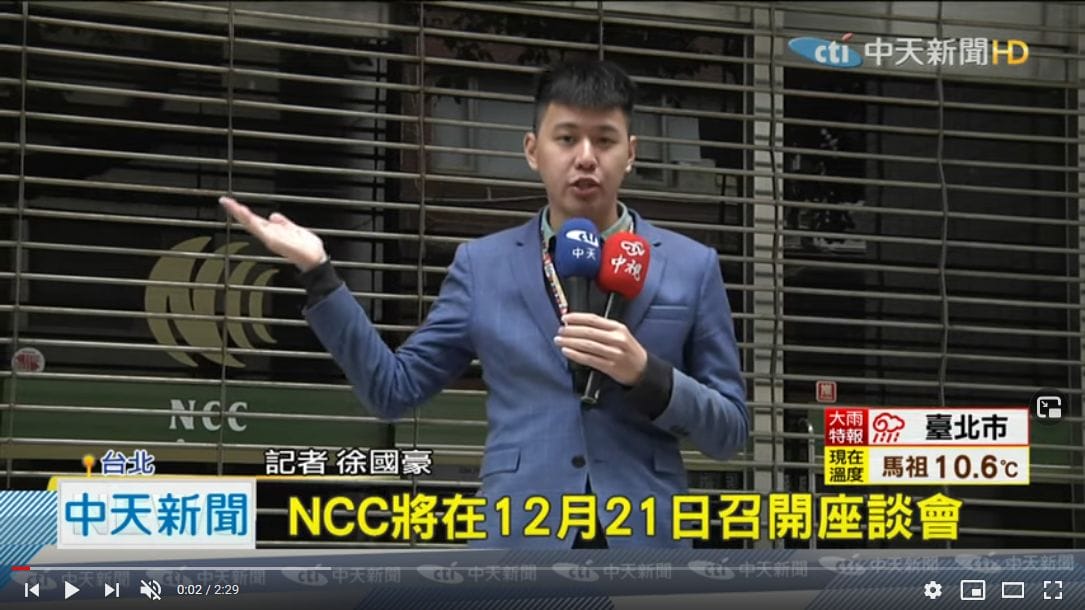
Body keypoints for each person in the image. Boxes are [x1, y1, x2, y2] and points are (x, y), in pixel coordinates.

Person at [219, 59, 748, 548]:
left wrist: (649, 376)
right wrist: (319, 273)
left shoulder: (690, 266)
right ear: (532, 150)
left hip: (646, 545)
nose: (586, 157)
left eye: (604, 140)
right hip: (517, 543)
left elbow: (730, 431)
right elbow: (393, 390)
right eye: (567, 138)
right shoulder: (483, 265)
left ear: (630, 153)